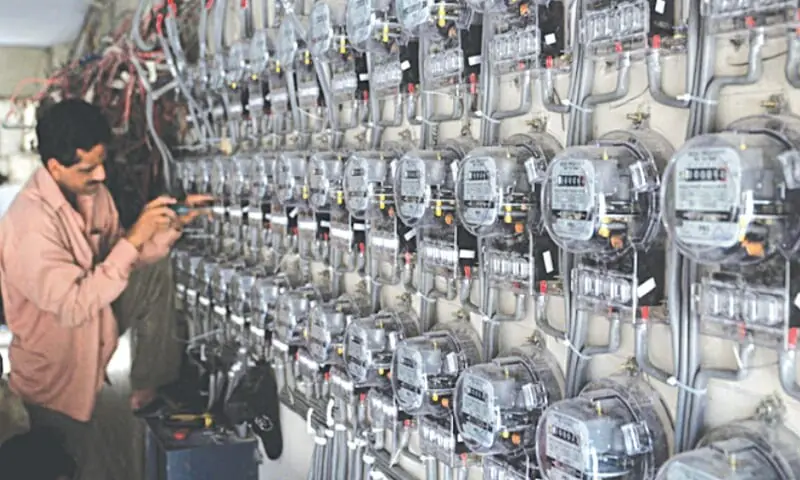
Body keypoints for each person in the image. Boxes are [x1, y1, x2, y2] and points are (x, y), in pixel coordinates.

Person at [0, 98, 210, 476]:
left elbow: (120, 262)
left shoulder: (94, 195)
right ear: (54, 167)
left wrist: (164, 230)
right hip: (54, 379)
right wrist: (133, 240)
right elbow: (74, 306)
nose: (100, 175)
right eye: (87, 168)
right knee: (68, 463)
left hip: (96, 326)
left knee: (155, 270)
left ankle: (149, 390)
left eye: (101, 163)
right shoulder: (28, 225)